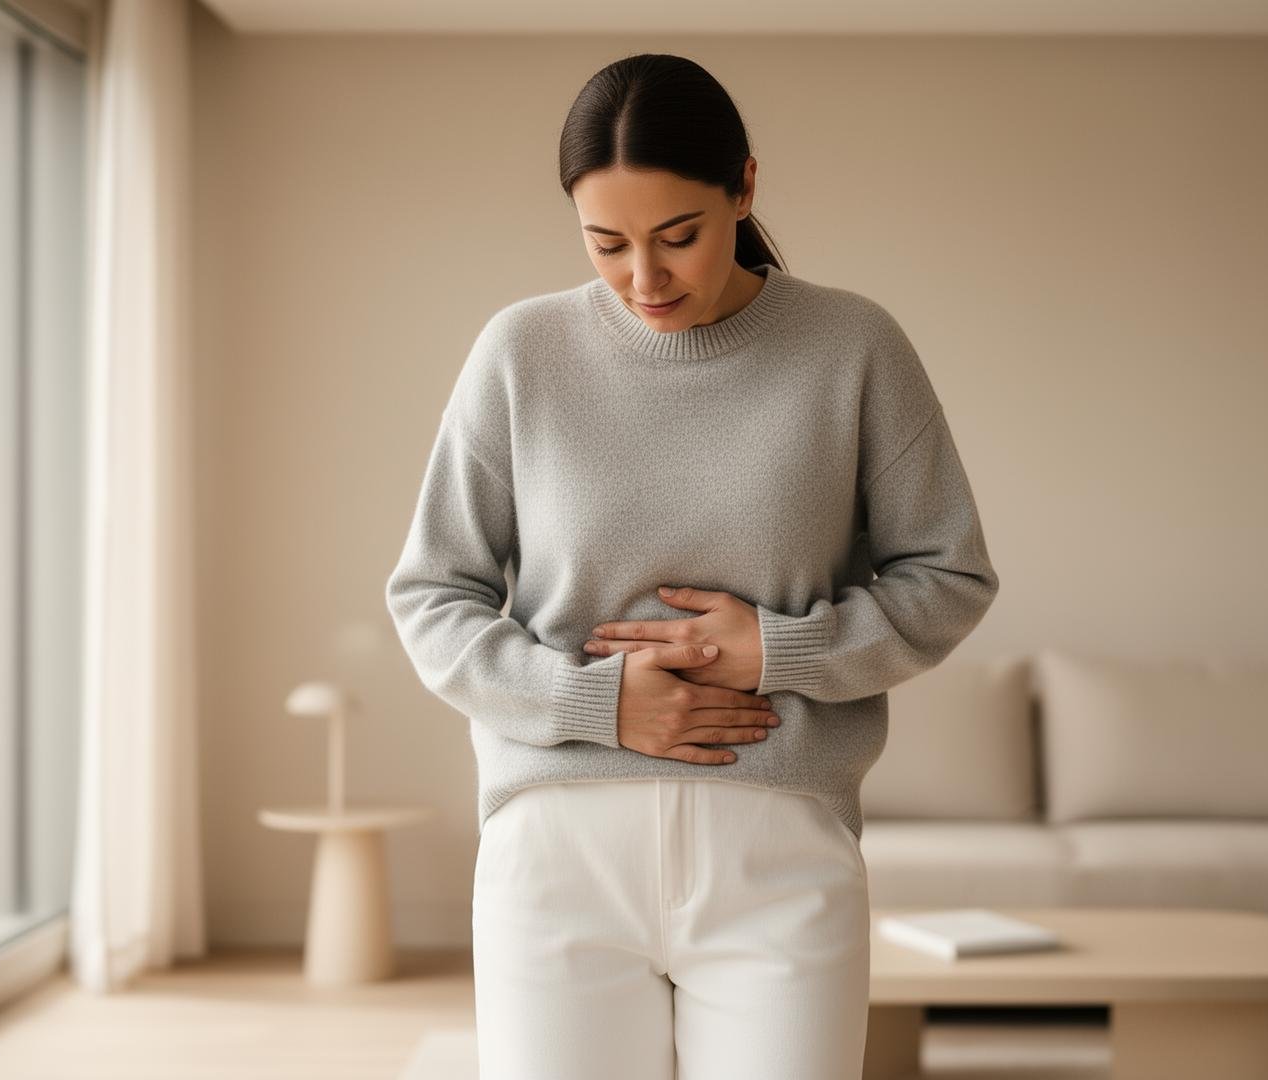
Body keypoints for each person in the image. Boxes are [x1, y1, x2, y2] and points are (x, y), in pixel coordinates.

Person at [384, 52, 1001, 1080]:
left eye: (679, 236)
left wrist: (780, 647)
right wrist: (592, 702)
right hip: (557, 859)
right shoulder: (521, 353)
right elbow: (431, 595)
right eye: (606, 243)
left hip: (780, 858)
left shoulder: (851, 347)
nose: (644, 278)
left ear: (744, 189)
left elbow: (950, 576)